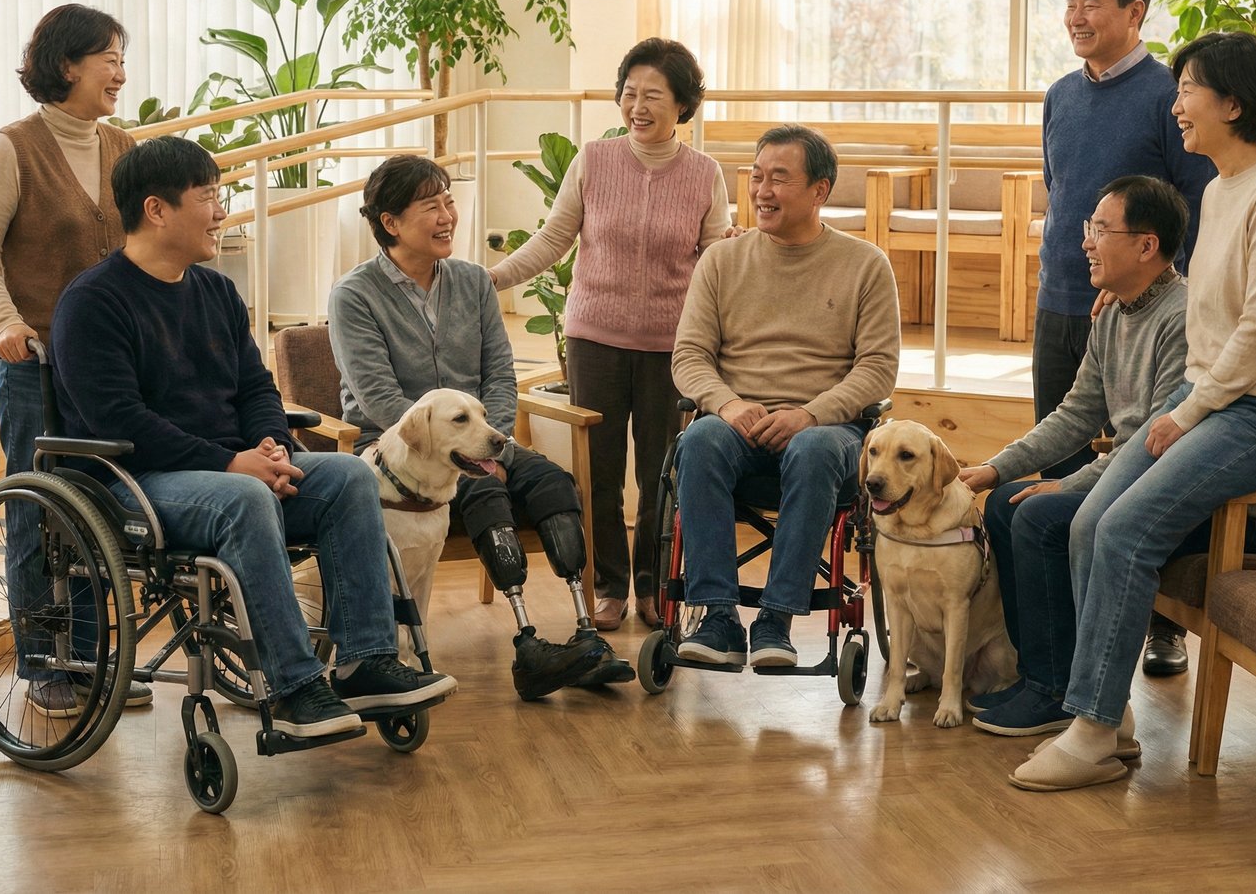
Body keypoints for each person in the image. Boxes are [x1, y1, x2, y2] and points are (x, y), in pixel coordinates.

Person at [50, 137, 455, 739]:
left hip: (233, 467)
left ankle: (365, 662)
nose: (221, 212)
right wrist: (232, 464)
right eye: (209, 197)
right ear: (157, 210)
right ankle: (293, 687)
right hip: (137, 480)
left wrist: (273, 448)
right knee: (245, 498)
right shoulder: (92, 303)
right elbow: (119, 422)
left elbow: (255, 388)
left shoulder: (215, 291)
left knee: (346, 475)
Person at [1010, 31, 1256, 792]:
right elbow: (1210, 307)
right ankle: (1109, 718)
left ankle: (1088, 729)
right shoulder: (1219, 191)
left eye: (1188, 89)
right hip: (1216, 397)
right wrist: (1125, 290)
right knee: (1087, 521)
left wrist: (1189, 411)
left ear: (1235, 103)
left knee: (1122, 528)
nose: (1175, 102)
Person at [963, 176, 1256, 737]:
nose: (1085, 242)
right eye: (1088, 228)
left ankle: (1061, 692)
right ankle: (1041, 676)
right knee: (1005, 500)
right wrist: (995, 466)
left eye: (1100, 230)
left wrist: (1075, 484)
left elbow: (1158, 440)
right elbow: (1077, 413)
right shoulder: (1113, 312)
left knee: (1039, 515)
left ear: (1147, 245)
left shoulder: (1183, 319)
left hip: (1188, 499)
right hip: (1129, 481)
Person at [330, 155, 633, 702]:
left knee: (553, 484)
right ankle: (528, 645)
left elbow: (500, 373)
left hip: (480, 439)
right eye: (432, 206)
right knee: (485, 487)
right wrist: (454, 446)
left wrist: (483, 435)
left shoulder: (472, 282)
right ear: (391, 222)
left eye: (449, 202)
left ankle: (585, 635)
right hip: (399, 450)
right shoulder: (355, 295)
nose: (448, 215)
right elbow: (379, 400)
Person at [488, 39, 732, 632]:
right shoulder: (594, 160)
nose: (637, 106)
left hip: (673, 346)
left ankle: (651, 588)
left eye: (653, 95)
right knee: (597, 471)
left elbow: (715, 260)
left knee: (659, 473)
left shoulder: (705, 174)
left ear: (682, 105)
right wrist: (488, 280)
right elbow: (553, 240)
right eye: (629, 93)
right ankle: (609, 587)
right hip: (594, 336)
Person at [0, 4, 146, 716]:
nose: (120, 72)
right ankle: (44, 660)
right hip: (33, 360)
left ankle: (99, 654)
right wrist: (2, 321)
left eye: (122, 59)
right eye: (110, 58)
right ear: (68, 64)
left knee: (99, 508)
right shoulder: (12, 148)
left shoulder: (124, 147)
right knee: (38, 511)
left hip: (106, 365)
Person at [1038, 0, 1218, 678]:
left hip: (1147, 308)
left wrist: (1160, 284)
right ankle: (1058, 638)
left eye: (1092, 2)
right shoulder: (1059, 93)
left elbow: (1194, 207)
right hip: (1064, 301)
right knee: (1059, 464)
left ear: (1135, 10)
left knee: (1139, 470)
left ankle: (1157, 627)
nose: (1076, 16)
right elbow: (1059, 193)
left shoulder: (1163, 94)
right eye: (1071, 2)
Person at [671, 125, 900, 668]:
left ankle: (777, 619)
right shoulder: (722, 261)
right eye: (755, 177)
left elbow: (879, 369)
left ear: (820, 191)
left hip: (828, 433)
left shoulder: (865, 264)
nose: (761, 191)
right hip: (738, 424)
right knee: (699, 438)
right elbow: (689, 357)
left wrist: (811, 414)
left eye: (779, 179)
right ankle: (718, 616)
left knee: (816, 448)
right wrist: (728, 405)